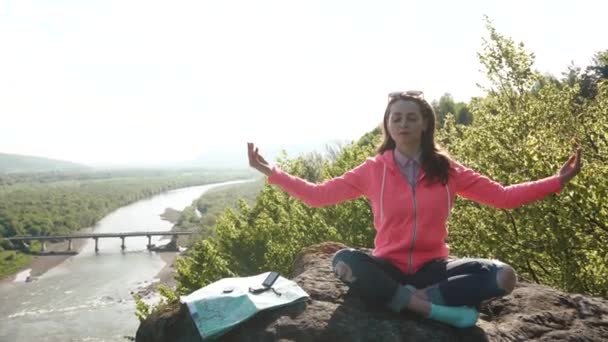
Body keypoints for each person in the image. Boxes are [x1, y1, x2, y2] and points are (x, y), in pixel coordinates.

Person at [246, 90, 582, 328]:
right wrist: (270, 172)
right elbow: (318, 195)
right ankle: (433, 310)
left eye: (411, 117)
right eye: (396, 118)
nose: (403, 123)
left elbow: (503, 196)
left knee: (503, 276)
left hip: (433, 268)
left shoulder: (447, 170)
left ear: (425, 123)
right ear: (388, 126)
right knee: (343, 261)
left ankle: (407, 299)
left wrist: (556, 181)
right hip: (387, 265)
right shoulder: (372, 169)